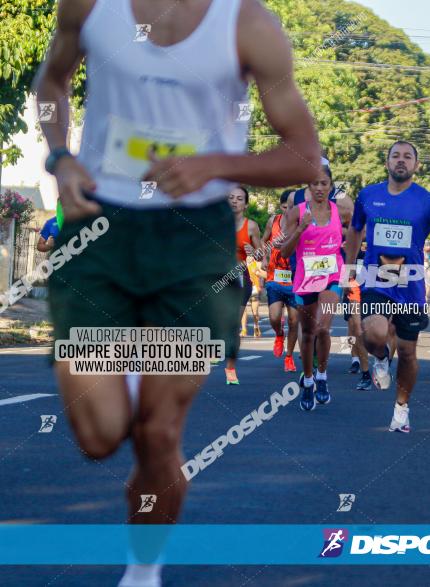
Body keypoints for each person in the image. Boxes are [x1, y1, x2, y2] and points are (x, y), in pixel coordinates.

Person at [35, 1, 321, 585]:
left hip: (192, 244)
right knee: (99, 436)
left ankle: (143, 570)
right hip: (98, 228)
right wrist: (61, 155)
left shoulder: (249, 27)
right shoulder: (89, 5)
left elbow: (303, 155)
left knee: (159, 433)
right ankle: (136, 369)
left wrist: (212, 163)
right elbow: (51, 84)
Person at [344, 140, 430, 433]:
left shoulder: (426, 200)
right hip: (375, 279)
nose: (401, 161)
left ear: (416, 165)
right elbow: (355, 230)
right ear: (387, 162)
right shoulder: (368, 196)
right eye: (396, 156)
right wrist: (349, 266)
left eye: (408, 157)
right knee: (373, 333)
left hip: (411, 285)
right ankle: (380, 357)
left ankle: (401, 409)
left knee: (407, 352)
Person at [279, 163, 350, 410]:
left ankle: (322, 376)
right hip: (306, 276)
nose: (320, 188)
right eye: (315, 183)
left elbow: (355, 234)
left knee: (322, 328)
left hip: (332, 273)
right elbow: (285, 250)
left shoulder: (340, 210)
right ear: (307, 186)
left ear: (331, 186)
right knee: (307, 333)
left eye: (324, 184)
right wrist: (300, 228)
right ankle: (308, 381)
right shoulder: (296, 212)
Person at [225, 186, 262, 385]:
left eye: (239, 198)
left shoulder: (251, 226)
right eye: (231, 197)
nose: (235, 201)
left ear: (245, 204)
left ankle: (230, 368)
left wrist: (252, 252)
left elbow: (261, 254)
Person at [262, 190, 299, 372]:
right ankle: (279, 334)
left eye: (292, 207)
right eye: (286, 207)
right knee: (274, 316)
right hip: (274, 277)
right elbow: (264, 241)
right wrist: (264, 258)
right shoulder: (273, 221)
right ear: (281, 206)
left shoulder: (301, 223)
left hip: (294, 280)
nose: (288, 210)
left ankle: (289, 356)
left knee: (294, 321)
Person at [345, 240, 372, 390]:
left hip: (376, 288)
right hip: (353, 287)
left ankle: (382, 358)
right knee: (355, 328)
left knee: (374, 330)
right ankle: (359, 364)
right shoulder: (353, 232)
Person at [242, 252, 264, 337]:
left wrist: (260, 287)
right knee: (243, 309)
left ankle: (256, 326)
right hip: (244, 288)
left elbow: (262, 276)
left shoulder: (258, 263)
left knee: (255, 312)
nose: (249, 257)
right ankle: (244, 329)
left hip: (254, 288)